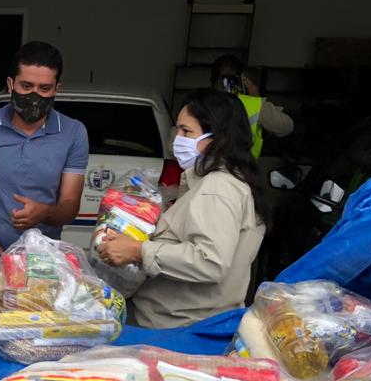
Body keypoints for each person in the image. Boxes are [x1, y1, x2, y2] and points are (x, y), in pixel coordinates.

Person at [97, 88, 268, 328]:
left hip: (179, 327)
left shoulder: (217, 187)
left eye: (187, 131)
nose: (177, 138)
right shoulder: (220, 181)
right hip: (184, 321)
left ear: (218, 138)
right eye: (179, 129)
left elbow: (210, 261)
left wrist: (139, 251)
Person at [0, 41, 88, 270]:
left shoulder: (73, 133)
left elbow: (70, 205)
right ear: (10, 84)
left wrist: (43, 212)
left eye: (44, 89)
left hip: (41, 265)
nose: (34, 95)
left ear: (57, 89)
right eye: (26, 86)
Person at [211, 54, 294, 159]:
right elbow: (287, 127)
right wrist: (257, 99)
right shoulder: (252, 104)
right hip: (241, 169)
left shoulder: (197, 102)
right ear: (241, 79)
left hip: (204, 169)